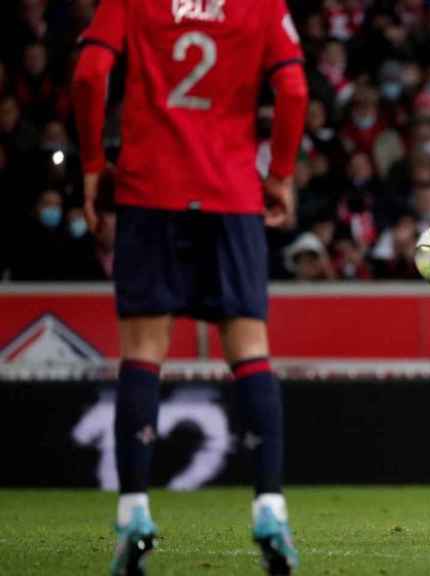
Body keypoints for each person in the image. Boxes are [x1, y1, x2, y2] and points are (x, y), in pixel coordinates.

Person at [71, 0, 308, 574]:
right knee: (250, 351)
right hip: (230, 194)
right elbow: (295, 91)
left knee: (143, 354)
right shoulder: (261, 5)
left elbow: (88, 73)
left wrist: (93, 166)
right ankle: (269, 510)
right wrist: (278, 173)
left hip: (149, 189)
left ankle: (134, 516)